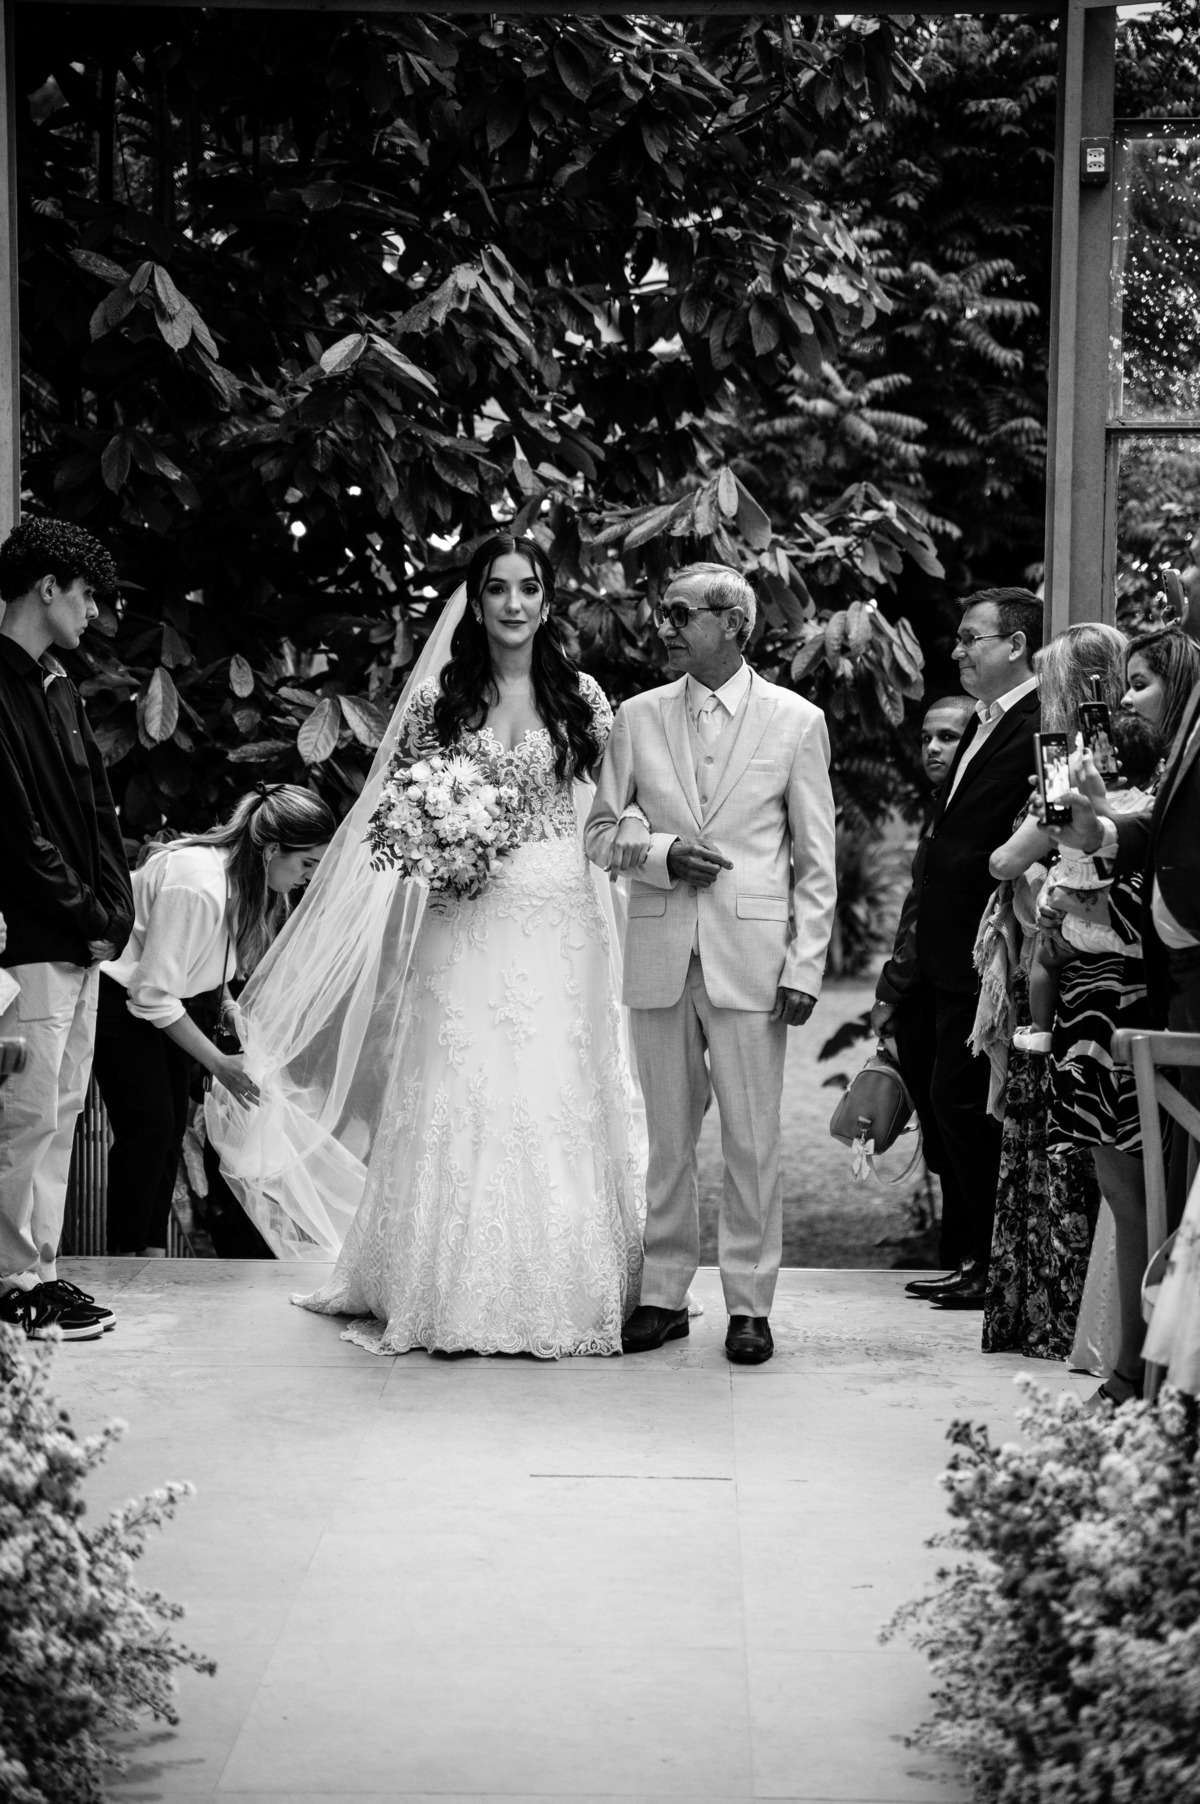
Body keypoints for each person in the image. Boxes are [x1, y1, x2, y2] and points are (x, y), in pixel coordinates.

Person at [224, 534, 646, 1357]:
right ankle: (440, 1282)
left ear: (548, 601)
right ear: (476, 601)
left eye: (529, 589)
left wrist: (624, 835)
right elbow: (398, 814)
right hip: (466, 919)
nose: (514, 604)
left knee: (559, 1088)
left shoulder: (585, 699)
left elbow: (610, 811)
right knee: (463, 1078)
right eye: (497, 589)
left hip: (563, 919)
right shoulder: (439, 703)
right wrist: (438, 849)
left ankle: (572, 1280)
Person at [585, 562, 837, 1366]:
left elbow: (817, 862)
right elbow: (597, 836)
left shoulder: (797, 722)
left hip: (754, 962)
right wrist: (657, 852)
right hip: (660, 952)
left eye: (680, 612)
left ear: (733, 623)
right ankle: (662, 1295)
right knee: (665, 1139)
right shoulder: (636, 716)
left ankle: (751, 1305)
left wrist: (804, 965)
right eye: (664, 611)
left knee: (753, 1142)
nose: (663, 624)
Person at [872, 588, 1043, 1310]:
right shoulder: (981, 720)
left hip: (991, 951)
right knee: (952, 1107)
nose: (958, 650)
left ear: (1017, 644)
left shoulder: (1037, 723)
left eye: (973, 638)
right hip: (945, 951)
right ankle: (971, 1256)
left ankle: (991, 1262)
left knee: (968, 1104)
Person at [95, 786, 335, 1260]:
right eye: (306, 863)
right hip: (121, 1000)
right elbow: (151, 993)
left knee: (169, 1129)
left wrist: (227, 1006)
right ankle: (123, 1258)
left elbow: (198, 966)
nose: (308, 877)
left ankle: (150, 1253)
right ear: (271, 850)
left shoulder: (243, 878)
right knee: (150, 1127)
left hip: (168, 1003)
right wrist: (221, 1063)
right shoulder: (199, 885)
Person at [0, 516, 134, 1342]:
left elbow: (96, 815)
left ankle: (40, 1273)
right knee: (26, 1117)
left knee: (61, 1109)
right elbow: (13, 832)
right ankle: (12, 1283)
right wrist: (86, 914)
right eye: (86, 595)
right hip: (31, 940)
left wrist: (115, 916)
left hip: (80, 940)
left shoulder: (60, 688)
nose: (93, 613)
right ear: (47, 588)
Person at [976, 624, 1127, 1353]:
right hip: (1095, 949)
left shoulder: (1071, 762)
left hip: (1082, 967)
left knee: (1072, 1146)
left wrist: (1022, 850)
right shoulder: (1128, 753)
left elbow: (1011, 858)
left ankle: (1068, 1318)